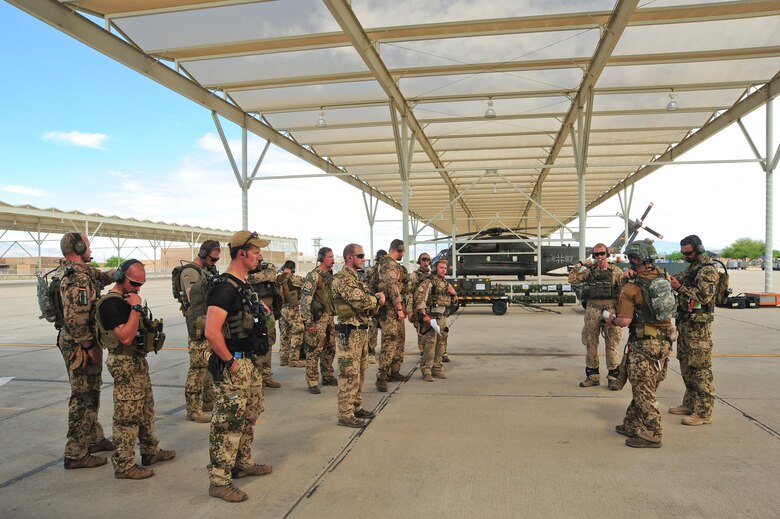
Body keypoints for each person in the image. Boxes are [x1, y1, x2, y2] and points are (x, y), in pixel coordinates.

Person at [204, 231, 273, 503]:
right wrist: (230, 363)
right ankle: (219, 481)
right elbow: (211, 331)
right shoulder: (225, 287)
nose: (260, 256)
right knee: (228, 423)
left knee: (250, 413)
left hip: (249, 361)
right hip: (234, 363)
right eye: (256, 251)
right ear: (241, 253)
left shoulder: (243, 284)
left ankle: (242, 463)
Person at [95, 259, 175, 479]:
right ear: (121, 278)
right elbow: (126, 336)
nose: (138, 289)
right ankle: (124, 465)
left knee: (146, 409)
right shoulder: (112, 304)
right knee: (127, 416)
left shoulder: (126, 299)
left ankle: (150, 451)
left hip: (137, 360)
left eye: (141, 284)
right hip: (124, 361)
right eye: (135, 284)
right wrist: (136, 308)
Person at [606, 241, 676, 448]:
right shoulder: (665, 278)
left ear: (635, 259)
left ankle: (653, 433)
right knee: (645, 384)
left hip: (644, 344)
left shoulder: (631, 287)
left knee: (643, 390)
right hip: (664, 342)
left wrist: (611, 319)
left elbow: (625, 321)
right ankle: (631, 423)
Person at [56, 232, 115, 469]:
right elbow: (76, 318)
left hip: (81, 341)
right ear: (78, 247)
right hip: (79, 344)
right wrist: (89, 346)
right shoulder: (76, 279)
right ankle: (75, 453)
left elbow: (100, 276)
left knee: (92, 390)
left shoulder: (82, 272)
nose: (90, 249)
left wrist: (117, 273)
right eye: (88, 245)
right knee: (83, 396)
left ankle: (92, 438)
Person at [331, 244, 385, 428]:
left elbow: (366, 299)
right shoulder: (343, 279)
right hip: (349, 332)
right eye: (360, 256)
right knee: (349, 374)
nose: (363, 259)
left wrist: (373, 299)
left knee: (360, 372)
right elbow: (362, 302)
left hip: (360, 331)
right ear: (349, 258)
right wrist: (377, 299)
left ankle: (355, 406)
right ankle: (345, 414)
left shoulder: (356, 278)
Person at [669, 235, 719, 426]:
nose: (685, 256)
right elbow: (673, 279)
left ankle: (704, 412)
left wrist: (680, 287)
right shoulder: (692, 268)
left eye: (688, 253)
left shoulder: (708, 271)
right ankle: (690, 404)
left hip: (699, 329)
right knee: (686, 366)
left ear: (699, 250)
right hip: (685, 324)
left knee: (700, 370)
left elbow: (704, 297)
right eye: (683, 253)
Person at [568, 243, 624, 389]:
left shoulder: (616, 271)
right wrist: (580, 264)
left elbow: (623, 293)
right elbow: (572, 279)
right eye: (596, 254)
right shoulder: (589, 271)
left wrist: (618, 313)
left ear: (607, 254)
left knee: (612, 343)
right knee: (591, 343)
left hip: (610, 309)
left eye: (602, 254)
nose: (599, 257)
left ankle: (613, 377)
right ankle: (593, 376)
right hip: (593, 309)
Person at [177, 239, 220, 423]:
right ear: (203, 254)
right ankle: (193, 409)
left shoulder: (206, 271)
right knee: (197, 368)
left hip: (207, 323)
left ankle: (208, 402)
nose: (214, 263)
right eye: (212, 259)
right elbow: (193, 297)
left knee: (209, 366)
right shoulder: (190, 272)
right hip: (197, 325)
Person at [301, 247, 338, 394]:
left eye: (333, 256)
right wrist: (308, 322)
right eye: (329, 257)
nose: (333, 259)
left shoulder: (329, 275)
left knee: (330, 347)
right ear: (322, 258)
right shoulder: (314, 276)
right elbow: (305, 300)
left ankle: (327, 375)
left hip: (328, 317)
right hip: (317, 319)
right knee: (314, 349)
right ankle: (312, 381)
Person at [414, 258, 458, 381]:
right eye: (441, 268)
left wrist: (454, 295)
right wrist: (424, 315)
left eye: (445, 268)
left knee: (441, 344)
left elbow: (454, 299)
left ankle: (437, 368)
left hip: (442, 318)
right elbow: (420, 300)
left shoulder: (446, 284)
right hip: (431, 319)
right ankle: (426, 370)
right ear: (434, 268)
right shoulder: (428, 283)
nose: (444, 270)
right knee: (430, 345)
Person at [375, 239, 409, 392]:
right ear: (398, 248)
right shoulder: (389, 264)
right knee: (390, 341)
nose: (404, 253)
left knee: (399, 340)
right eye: (403, 250)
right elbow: (392, 286)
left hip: (394, 310)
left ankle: (394, 371)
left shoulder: (392, 264)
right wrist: (400, 308)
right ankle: (381, 377)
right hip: (390, 309)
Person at [248, 257, 283, 389]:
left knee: (268, 344)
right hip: (253, 316)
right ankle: (255, 377)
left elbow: (270, 275)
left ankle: (266, 376)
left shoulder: (268, 267)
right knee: (254, 346)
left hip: (268, 315)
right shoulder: (244, 269)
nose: (257, 260)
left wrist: (250, 277)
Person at [277, 260, 306, 368]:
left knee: (284, 334)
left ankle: (283, 359)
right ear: (293, 268)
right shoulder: (293, 278)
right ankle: (294, 359)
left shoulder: (277, 278)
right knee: (298, 330)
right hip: (292, 309)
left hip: (281, 309)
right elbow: (307, 282)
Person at [364, 249, 387, 364]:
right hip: (374, 303)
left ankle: (384, 352)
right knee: (373, 329)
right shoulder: (370, 271)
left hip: (385, 304)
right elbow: (365, 285)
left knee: (386, 329)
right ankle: (371, 351)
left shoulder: (388, 270)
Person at [409, 253, 432, 356]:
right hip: (418, 308)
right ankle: (422, 350)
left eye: (428, 260)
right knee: (421, 330)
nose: (426, 262)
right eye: (423, 260)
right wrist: (409, 310)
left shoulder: (432, 275)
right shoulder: (414, 276)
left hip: (431, 307)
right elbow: (409, 293)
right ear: (419, 261)